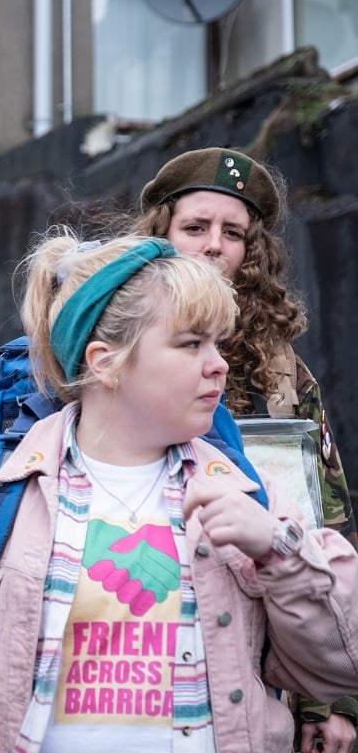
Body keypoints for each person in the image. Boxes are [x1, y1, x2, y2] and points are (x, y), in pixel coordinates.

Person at [0, 230, 358, 752]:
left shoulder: (245, 493)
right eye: (191, 343)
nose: (219, 363)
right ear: (105, 362)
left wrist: (281, 550)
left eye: (217, 342)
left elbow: (342, 664)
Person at [136, 147, 358, 752]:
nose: (213, 245)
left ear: (250, 253)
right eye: (195, 227)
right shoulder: (111, 353)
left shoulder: (284, 377)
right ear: (160, 234)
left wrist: (328, 703)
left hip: (264, 666)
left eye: (232, 233)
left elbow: (327, 525)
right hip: (138, 637)